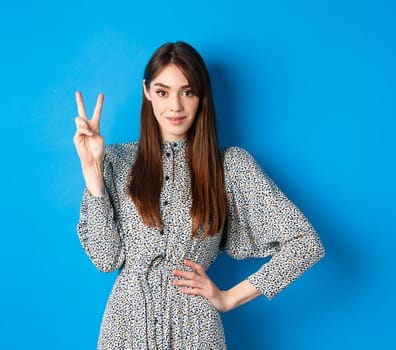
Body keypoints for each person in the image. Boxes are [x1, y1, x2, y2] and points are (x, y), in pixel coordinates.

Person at [73, 41, 325, 349]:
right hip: (126, 328)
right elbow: (105, 259)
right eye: (163, 91)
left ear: (202, 95)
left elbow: (306, 244)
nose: (175, 106)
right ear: (147, 92)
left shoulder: (230, 166)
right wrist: (92, 172)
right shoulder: (115, 160)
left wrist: (229, 298)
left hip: (195, 330)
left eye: (187, 92)